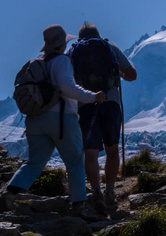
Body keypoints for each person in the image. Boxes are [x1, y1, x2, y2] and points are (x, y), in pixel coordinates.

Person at [0, 24, 106, 221]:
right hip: (62, 119)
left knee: (35, 162)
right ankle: (79, 206)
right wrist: (93, 97)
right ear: (62, 44)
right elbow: (67, 88)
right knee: (74, 161)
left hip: (35, 120)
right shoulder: (61, 61)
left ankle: (8, 195)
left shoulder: (36, 62)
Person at [68, 22, 136, 213]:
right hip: (110, 103)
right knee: (112, 149)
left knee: (90, 151)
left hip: (86, 105)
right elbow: (132, 75)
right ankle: (111, 191)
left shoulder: (73, 51)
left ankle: (96, 192)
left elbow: (66, 79)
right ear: (98, 34)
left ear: (80, 37)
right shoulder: (110, 46)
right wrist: (118, 74)